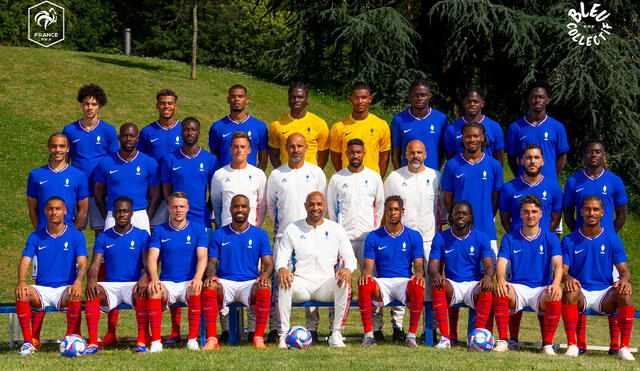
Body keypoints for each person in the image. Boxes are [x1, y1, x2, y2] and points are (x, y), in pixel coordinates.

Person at [563, 141, 629, 354]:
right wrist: (579, 235)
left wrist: (608, 238)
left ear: (604, 155)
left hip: (606, 247)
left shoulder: (615, 181)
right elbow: (568, 213)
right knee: (576, 287)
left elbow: (622, 215)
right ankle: (578, 345)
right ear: (584, 156)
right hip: (581, 242)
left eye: (598, 152)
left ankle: (615, 346)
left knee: (615, 288)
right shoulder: (574, 181)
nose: (594, 155)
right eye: (590, 151)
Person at [276, 192, 357, 348]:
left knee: (344, 282)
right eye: (312, 204)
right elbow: (282, 256)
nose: (315, 208)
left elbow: (351, 258)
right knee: (284, 282)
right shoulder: (292, 228)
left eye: (319, 204)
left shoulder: (336, 229)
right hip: (301, 283)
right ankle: (284, 335)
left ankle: (336, 333)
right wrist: (282, 269)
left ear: (325, 206)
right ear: (305, 206)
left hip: (325, 284)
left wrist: (347, 269)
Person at [266, 133, 326, 341]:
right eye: (291, 146)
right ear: (286, 148)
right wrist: (286, 226)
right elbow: (271, 207)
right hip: (284, 236)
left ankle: (313, 328)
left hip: (310, 236)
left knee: (312, 278)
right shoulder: (276, 175)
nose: (295, 150)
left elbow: (321, 204)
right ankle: (277, 327)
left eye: (299, 146)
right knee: (279, 281)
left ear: (306, 147)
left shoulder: (316, 172)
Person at [561, 195, 635, 361]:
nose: (591, 213)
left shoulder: (612, 239)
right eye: (587, 209)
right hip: (581, 292)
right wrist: (568, 278)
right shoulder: (569, 240)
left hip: (604, 293)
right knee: (570, 291)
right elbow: (562, 271)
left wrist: (624, 280)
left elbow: (625, 271)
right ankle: (572, 345)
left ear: (602, 212)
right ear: (581, 212)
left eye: (595, 209)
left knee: (624, 293)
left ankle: (624, 347)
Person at [15, 197, 87, 356]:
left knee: (75, 293)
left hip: (65, 289)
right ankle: (29, 343)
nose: (54, 212)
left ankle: (70, 339)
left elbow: (82, 263)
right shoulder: (35, 237)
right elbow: (25, 261)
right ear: (45, 211)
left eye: (58, 209)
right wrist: (21, 282)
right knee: (22, 293)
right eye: (50, 209)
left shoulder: (76, 236)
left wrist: (78, 282)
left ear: (65, 211)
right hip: (42, 288)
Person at [384, 139, 442, 339]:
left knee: (428, 284)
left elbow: (442, 207)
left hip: (428, 239)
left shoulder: (436, 176)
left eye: (419, 152)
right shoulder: (394, 177)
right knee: (399, 280)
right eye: (411, 152)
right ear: (405, 155)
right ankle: (397, 326)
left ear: (425, 154)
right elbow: (388, 208)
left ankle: (430, 328)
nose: (415, 156)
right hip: (400, 239)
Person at [492, 195, 563, 354]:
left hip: (541, 287)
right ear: (520, 214)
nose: (530, 215)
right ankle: (504, 340)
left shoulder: (551, 238)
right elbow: (502, 262)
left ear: (541, 214)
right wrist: (501, 280)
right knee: (501, 291)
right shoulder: (510, 238)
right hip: (517, 286)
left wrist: (556, 284)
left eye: (534, 211)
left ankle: (547, 344)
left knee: (555, 295)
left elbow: (558, 263)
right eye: (526, 212)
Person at [202, 195, 273, 350]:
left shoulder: (260, 234)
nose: (239, 210)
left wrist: (264, 276)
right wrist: (212, 275)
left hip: (249, 282)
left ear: (249, 209)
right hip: (226, 281)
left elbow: (268, 264)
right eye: (236, 206)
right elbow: (212, 262)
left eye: (243, 206)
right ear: (230, 209)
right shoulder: (219, 234)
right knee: (209, 287)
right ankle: (212, 339)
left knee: (264, 287)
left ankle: (258, 338)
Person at [84, 197, 150, 354]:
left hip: (132, 284)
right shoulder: (104, 236)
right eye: (119, 211)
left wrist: (144, 278)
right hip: (110, 285)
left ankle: (141, 339)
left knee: (142, 290)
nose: (122, 214)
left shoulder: (142, 235)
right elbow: (95, 264)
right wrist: (91, 281)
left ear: (131, 213)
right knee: (93, 292)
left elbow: (149, 265)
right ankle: (93, 342)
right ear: (113, 214)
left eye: (125, 211)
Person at [358, 196, 426, 348]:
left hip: (404, 282)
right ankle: (368, 335)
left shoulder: (414, 235)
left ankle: (411, 336)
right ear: (385, 212)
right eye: (389, 209)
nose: (392, 212)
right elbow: (368, 268)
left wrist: (420, 274)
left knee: (418, 283)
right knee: (364, 282)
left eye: (396, 209)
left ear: (402, 212)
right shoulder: (374, 236)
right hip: (383, 283)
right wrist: (366, 274)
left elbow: (419, 265)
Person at [145, 192, 208, 352]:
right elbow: (152, 257)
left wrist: (198, 278)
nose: (178, 210)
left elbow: (202, 257)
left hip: (189, 281)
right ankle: (156, 342)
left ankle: (192, 339)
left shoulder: (199, 230)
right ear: (169, 208)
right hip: (167, 282)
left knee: (195, 287)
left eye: (181, 206)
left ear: (187, 208)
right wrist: (154, 278)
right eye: (175, 207)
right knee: (154, 290)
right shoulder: (159, 230)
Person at [429, 201, 494, 349]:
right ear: (451, 216)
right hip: (452, 284)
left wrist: (488, 277)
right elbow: (432, 265)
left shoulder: (481, 237)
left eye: (464, 213)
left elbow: (489, 265)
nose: (460, 216)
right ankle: (445, 338)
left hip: (473, 285)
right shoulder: (440, 237)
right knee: (438, 285)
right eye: (457, 213)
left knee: (487, 287)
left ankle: (477, 337)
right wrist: (436, 275)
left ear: (470, 217)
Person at [62, 83, 118, 233]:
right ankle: (73, 257)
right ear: (81, 104)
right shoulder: (69, 130)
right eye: (86, 103)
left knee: (101, 232)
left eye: (94, 104)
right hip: (77, 190)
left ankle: (102, 258)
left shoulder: (108, 130)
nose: (90, 107)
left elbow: (115, 162)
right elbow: (63, 161)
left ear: (100, 106)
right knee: (73, 229)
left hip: (100, 190)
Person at [442, 122, 502, 252]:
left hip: (486, 229)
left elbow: (495, 198)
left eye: (476, 136)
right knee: (460, 270)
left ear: (482, 137)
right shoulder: (452, 165)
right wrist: (455, 220)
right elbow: (447, 198)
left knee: (488, 270)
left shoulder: (494, 165)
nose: (472, 140)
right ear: (462, 138)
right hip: (460, 230)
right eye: (468, 136)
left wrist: (486, 217)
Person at [94, 123, 160, 234]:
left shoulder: (149, 163)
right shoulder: (105, 163)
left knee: (142, 251)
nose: (128, 139)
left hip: (139, 215)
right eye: (125, 135)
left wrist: (145, 217)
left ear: (137, 138)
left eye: (132, 136)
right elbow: (98, 195)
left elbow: (156, 196)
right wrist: (109, 216)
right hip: (113, 215)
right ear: (119, 138)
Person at [160, 117, 218, 229]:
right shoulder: (169, 159)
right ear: (181, 132)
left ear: (199, 132)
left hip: (202, 218)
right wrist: (175, 210)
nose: (189, 133)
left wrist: (208, 209)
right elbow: (166, 190)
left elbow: (214, 192)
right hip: (178, 218)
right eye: (186, 129)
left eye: (193, 129)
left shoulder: (210, 159)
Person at [506, 81, 569, 182]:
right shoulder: (515, 127)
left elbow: (562, 158)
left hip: (548, 186)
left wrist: (550, 178)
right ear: (528, 99)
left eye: (541, 97)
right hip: (524, 186)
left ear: (547, 100)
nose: (537, 100)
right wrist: (521, 178)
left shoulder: (557, 127)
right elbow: (511, 158)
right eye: (534, 97)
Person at [138, 89, 183, 228]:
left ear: (175, 106)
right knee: (154, 231)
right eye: (162, 103)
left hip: (178, 188)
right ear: (157, 105)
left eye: (170, 103)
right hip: (154, 190)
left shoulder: (184, 130)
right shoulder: (147, 131)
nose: (166, 106)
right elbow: (141, 160)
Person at [27, 133, 88, 231]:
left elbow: (83, 210)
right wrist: (38, 231)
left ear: (68, 149)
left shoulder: (79, 175)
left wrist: (72, 233)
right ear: (48, 148)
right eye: (54, 146)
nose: (58, 150)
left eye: (62, 146)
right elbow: (32, 209)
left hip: (68, 233)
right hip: (43, 234)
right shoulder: (36, 175)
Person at [329, 82, 391, 177]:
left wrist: (378, 178)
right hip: (347, 179)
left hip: (372, 180)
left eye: (363, 97)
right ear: (351, 99)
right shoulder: (339, 127)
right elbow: (335, 156)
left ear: (370, 99)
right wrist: (345, 175)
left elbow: (385, 157)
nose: (360, 101)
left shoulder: (381, 125)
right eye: (356, 98)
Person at [499, 144, 562, 234]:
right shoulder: (508, 188)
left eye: (536, 157)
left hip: (543, 244)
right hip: (517, 243)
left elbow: (556, 218)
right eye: (528, 158)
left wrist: (544, 238)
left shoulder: (554, 187)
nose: (533, 161)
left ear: (542, 162)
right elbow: (504, 219)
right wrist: (514, 238)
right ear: (522, 161)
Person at [268, 82, 329, 169]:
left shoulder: (319, 124)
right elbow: (273, 155)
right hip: (286, 175)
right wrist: (281, 173)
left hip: (310, 177)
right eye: (293, 97)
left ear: (307, 99)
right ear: (288, 99)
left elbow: (323, 156)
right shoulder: (277, 124)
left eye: (300, 97)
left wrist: (315, 173)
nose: (296, 100)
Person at [211, 132, 266, 228]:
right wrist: (221, 225)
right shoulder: (219, 174)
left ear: (249, 150)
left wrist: (256, 228)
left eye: (243, 147)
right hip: (226, 230)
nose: (239, 150)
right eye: (236, 147)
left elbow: (262, 205)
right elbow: (217, 204)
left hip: (250, 230)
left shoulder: (258, 174)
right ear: (231, 149)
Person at [391, 79, 448, 171]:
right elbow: (395, 154)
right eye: (416, 95)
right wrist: (399, 174)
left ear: (429, 96)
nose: (420, 98)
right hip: (407, 176)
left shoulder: (441, 119)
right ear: (410, 96)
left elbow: (443, 151)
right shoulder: (399, 120)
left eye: (423, 95)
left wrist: (436, 171)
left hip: (432, 176)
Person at [209, 84, 268, 170]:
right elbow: (214, 158)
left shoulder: (259, 126)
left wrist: (257, 178)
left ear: (246, 99)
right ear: (228, 100)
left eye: (240, 96)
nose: (236, 99)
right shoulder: (217, 127)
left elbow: (263, 160)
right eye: (233, 96)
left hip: (250, 179)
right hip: (225, 179)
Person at [444, 88, 504, 164]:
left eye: (475, 101)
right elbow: (450, 158)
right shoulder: (452, 129)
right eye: (468, 101)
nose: (472, 104)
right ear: (463, 103)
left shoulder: (494, 127)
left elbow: (499, 158)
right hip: (461, 174)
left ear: (482, 103)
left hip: (486, 174)